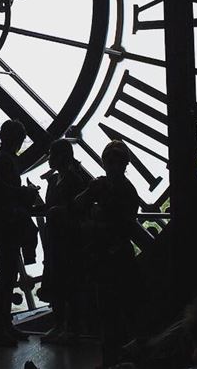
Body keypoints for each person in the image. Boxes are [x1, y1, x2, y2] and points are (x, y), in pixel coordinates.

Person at [75, 139, 140, 365]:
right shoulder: (128, 192)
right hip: (118, 257)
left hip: (103, 259)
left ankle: (110, 360)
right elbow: (125, 225)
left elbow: (77, 205)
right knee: (125, 313)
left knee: (107, 315)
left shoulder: (100, 187)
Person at [0, 119, 38, 347]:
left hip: (2, 224)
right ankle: (2, 326)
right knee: (7, 276)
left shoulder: (0, 160)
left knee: (5, 276)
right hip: (8, 224)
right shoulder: (6, 160)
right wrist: (23, 193)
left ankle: (0, 326)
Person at [40, 139, 88, 344]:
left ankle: (61, 324)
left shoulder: (55, 181)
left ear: (60, 156)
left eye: (52, 154)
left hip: (58, 240)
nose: (49, 157)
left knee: (59, 283)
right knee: (69, 285)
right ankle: (71, 327)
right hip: (69, 240)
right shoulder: (75, 181)